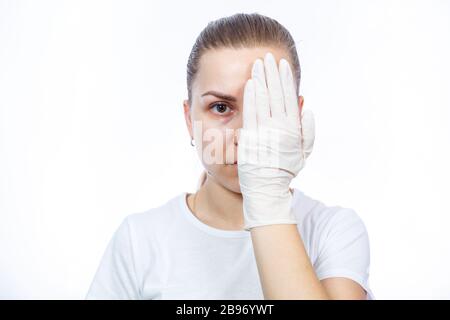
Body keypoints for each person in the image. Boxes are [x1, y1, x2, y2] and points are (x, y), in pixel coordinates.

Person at [86, 12, 374, 300]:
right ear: (189, 119)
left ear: (296, 115)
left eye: (266, 108)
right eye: (221, 108)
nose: (245, 134)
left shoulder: (332, 231)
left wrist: (268, 198)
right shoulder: (139, 241)